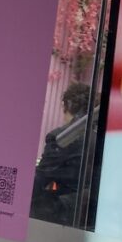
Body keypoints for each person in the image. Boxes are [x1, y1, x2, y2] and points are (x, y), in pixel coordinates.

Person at [31, 83, 91, 225]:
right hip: (87, 211)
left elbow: (40, 179)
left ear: (67, 105)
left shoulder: (63, 137)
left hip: (66, 212)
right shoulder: (97, 136)